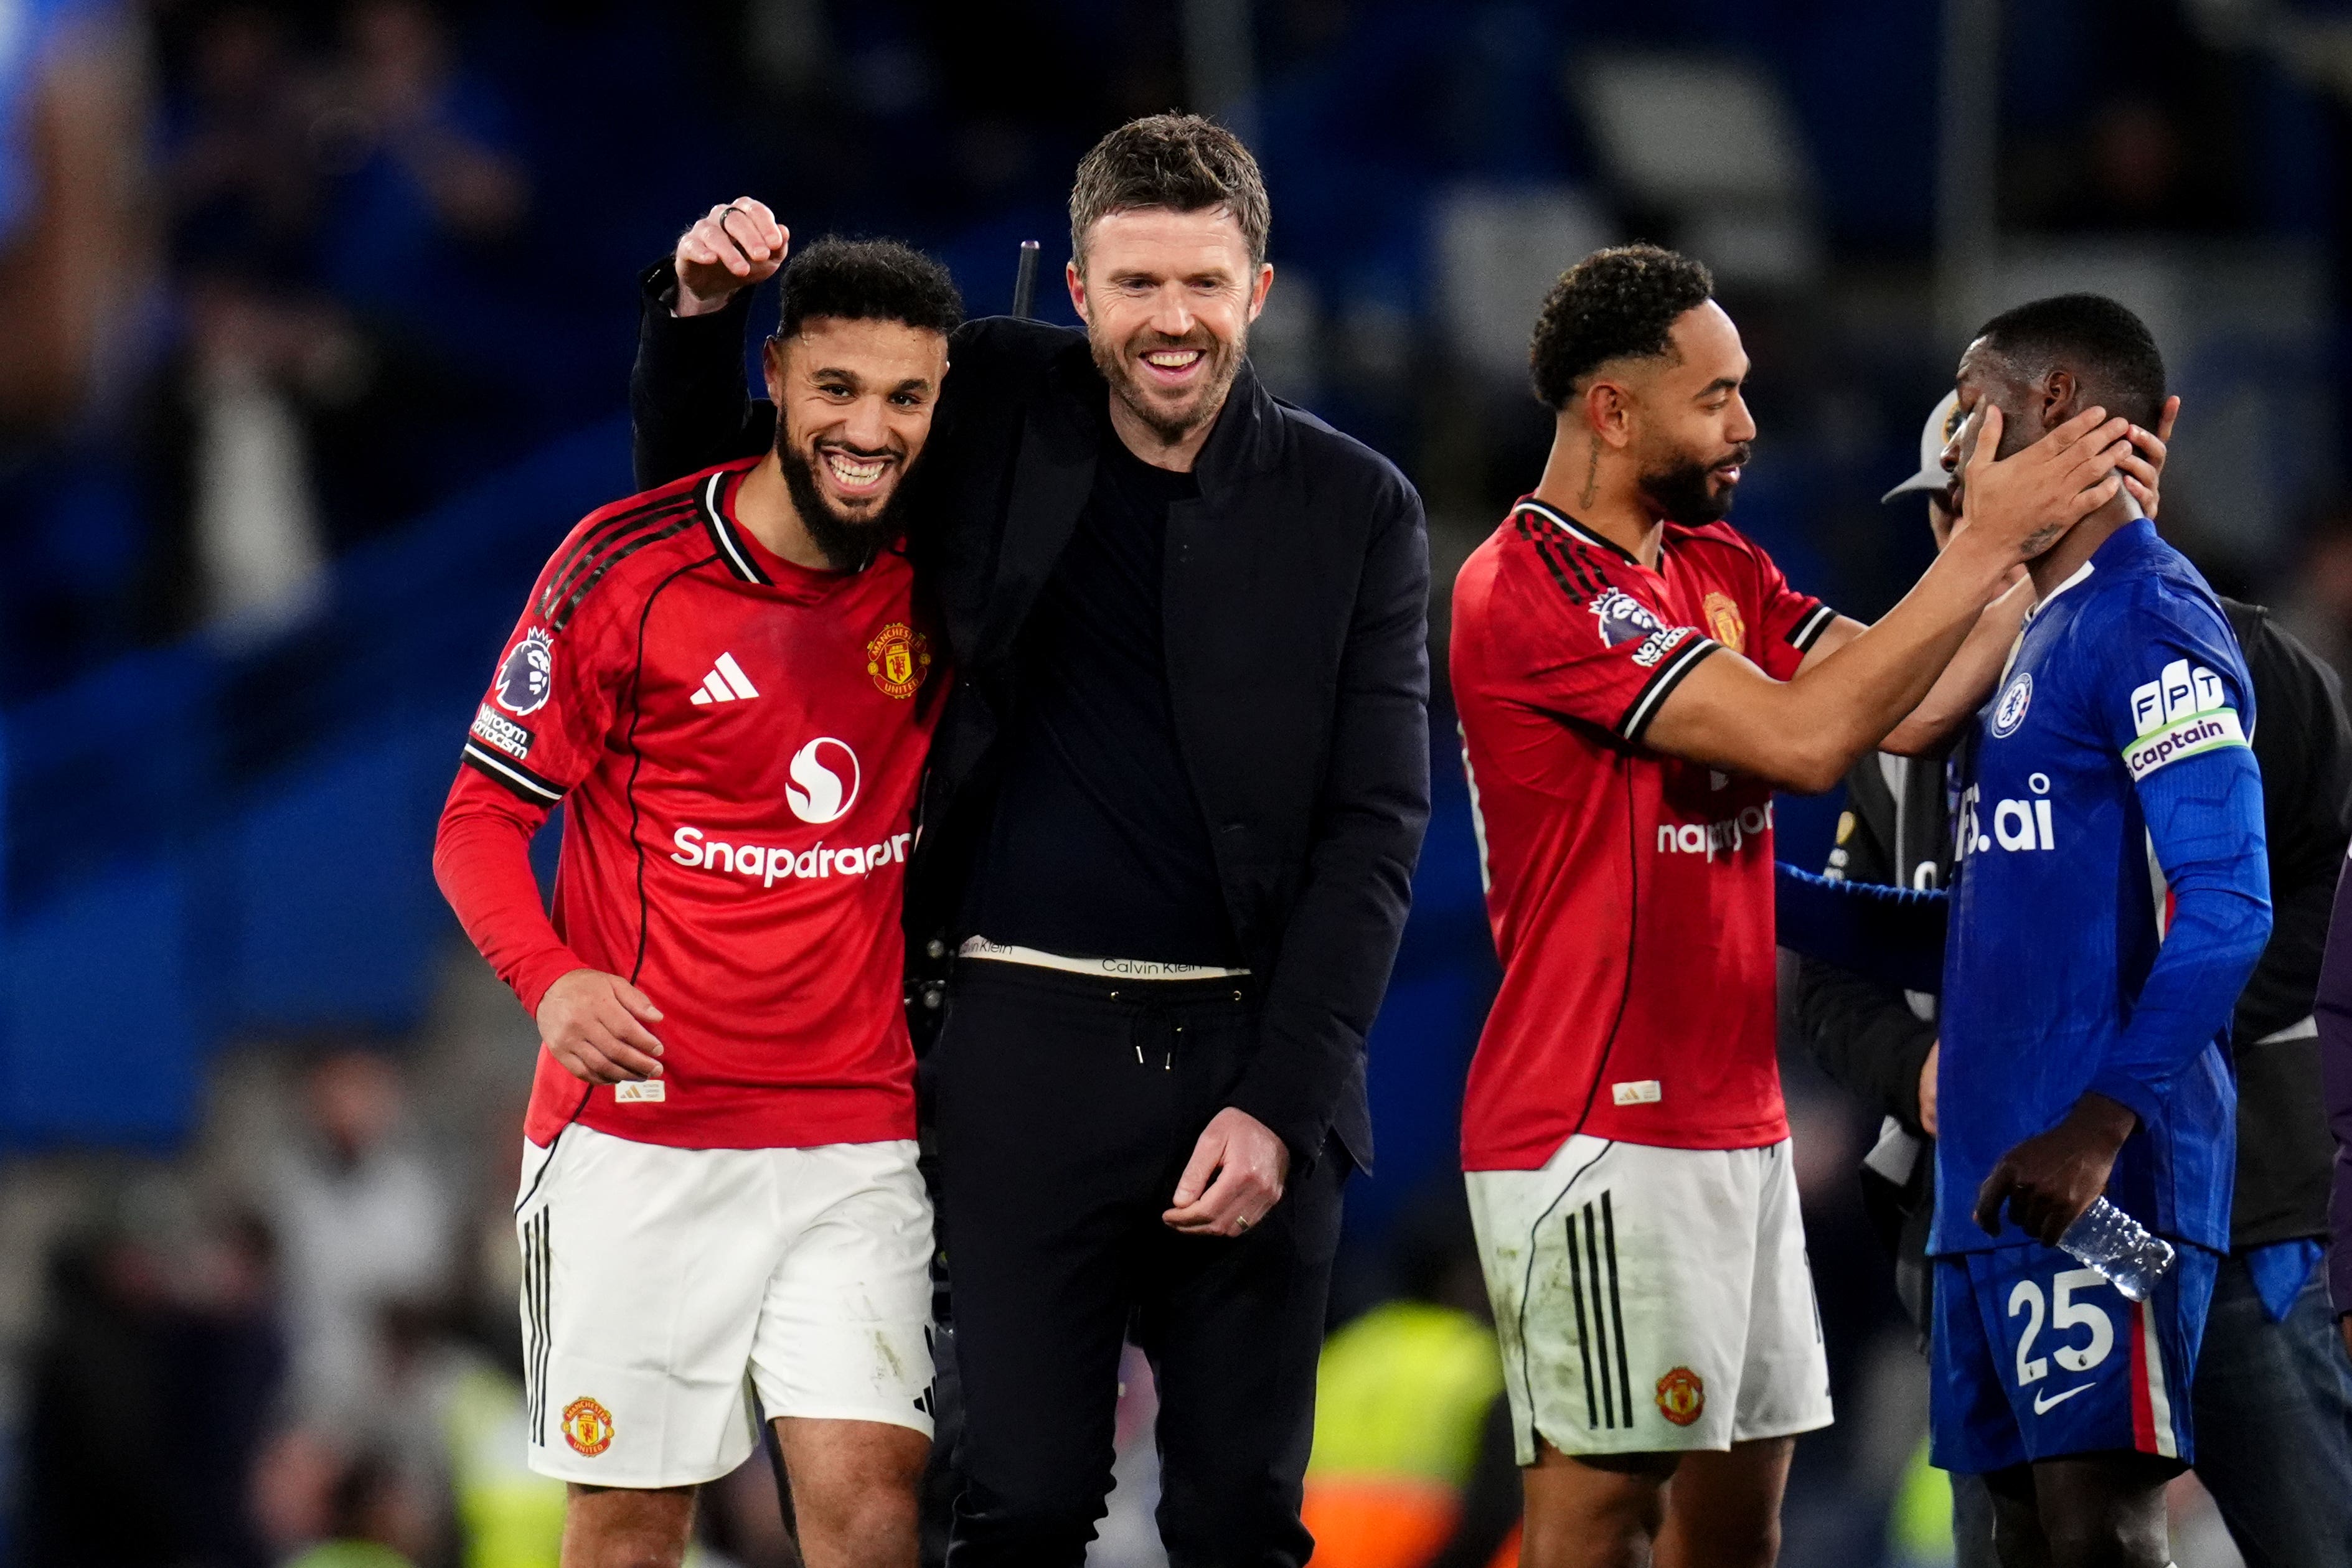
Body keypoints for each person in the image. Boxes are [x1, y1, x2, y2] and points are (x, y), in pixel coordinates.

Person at [631, 115, 1430, 1564]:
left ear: (1258, 289)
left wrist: (1281, 1104)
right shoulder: (989, 397)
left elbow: (1375, 831)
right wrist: (700, 312)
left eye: (1202, 284)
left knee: (1241, 1522)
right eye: (1135, 287)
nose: (1170, 322)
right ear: (1076, 291)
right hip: (1011, 1058)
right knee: (1018, 1510)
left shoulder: (1357, 507)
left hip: (1252, 1072)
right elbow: (734, 493)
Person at [1449, 245, 2129, 1568]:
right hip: (1595, 1124)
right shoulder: (1533, 587)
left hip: (1732, 1120)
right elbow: (1809, 742)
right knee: (1596, 1521)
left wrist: (2043, 557)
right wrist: (1983, 537)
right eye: (1714, 396)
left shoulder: (1717, 565)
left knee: (1735, 1533)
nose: (1747, 423)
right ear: (1610, 411)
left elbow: (1911, 709)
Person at [433, 238, 964, 1568]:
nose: (870, 427)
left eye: (906, 398)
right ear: (774, 377)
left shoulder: (947, 578)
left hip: (854, 1134)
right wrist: (550, 981)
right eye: (837, 386)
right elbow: (479, 821)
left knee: (870, 1506)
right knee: (626, 1529)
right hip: (642, 1146)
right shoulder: (624, 569)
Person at [1794, 390, 2352, 1568]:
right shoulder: (1908, 734)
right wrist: (1928, 1068)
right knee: (2028, 1541)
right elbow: (1834, 985)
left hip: (2231, 1216)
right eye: (1947, 506)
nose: (1958, 532)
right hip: (2000, 1217)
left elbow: (2292, 907)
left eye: (1978, 501)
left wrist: (2113, 1052)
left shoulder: (2239, 666)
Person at [1929, 295, 2272, 1568]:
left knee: (2101, 1531)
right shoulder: (2043, 626)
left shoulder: (2146, 618)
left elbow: (2227, 904)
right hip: (1995, 1178)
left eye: (1974, 403)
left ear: (2054, 401)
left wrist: (2100, 1119)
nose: (1957, 434)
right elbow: (1986, 920)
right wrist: (1761, 892)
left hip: (2095, 1175)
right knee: (2023, 1536)